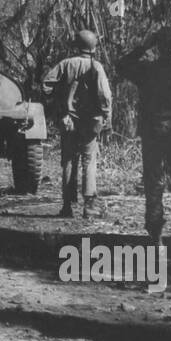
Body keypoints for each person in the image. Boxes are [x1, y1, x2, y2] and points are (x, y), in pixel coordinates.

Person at [117, 27, 171, 246]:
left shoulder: (146, 71)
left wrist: (144, 46)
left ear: (158, 46)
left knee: (154, 182)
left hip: (153, 134)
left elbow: (121, 66)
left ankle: (155, 230)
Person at [42, 29, 112, 219]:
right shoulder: (96, 66)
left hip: (68, 121)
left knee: (68, 161)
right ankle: (89, 206)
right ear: (93, 47)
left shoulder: (65, 64)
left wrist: (58, 101)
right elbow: (105, 96)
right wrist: (106, 118)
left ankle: (67, 206)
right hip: (90, 123)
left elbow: (46, 84)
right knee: (89, 161)